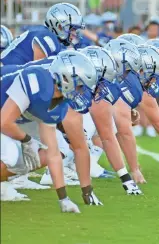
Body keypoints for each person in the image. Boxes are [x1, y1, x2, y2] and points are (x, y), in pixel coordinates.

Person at [1, 50, 98, 211]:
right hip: (4, 117)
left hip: (10, 117)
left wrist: (64, 199)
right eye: (80, 86)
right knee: (11, 156)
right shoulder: (36, 80)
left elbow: (52, 152)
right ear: (66, 78)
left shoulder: (57, 100)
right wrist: (27, 140)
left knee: (44, 153)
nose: (81, 92)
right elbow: (3, 122)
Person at [1, 3, 84, 66]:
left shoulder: (46, 34)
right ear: (59, 26)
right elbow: (39, 72)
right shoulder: (47, 37)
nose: (74, 34)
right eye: (72, 29)